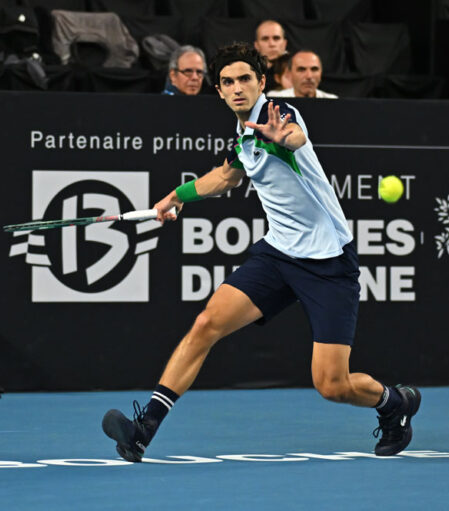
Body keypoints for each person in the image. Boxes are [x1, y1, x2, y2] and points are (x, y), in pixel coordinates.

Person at [102, 42, 420, 462]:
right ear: (219, 91)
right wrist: (174, 197)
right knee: (205, 324)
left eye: (245, 79)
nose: (237, 88)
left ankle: (394, 403)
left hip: (327, 262)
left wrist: (281, 138)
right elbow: (226, 176)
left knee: (332, 385)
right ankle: (143, 431)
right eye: (228, 82)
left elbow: (293, 136)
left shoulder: (280, 117)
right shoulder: (243, 135)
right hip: (278, 255)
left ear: (261, 82)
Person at [267, 50, 337, 99]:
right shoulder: (276, 99)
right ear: (291, 74)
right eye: (301, 69)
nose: (309, 76)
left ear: (321, 73)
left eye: (314, 69)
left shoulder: (333, 101)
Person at [254, 20, 288, 91]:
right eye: (265, 39)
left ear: (284, 43)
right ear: (256, 45)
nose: (272, 44)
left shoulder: (297, 68)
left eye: (276, 38)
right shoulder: (250, 71)